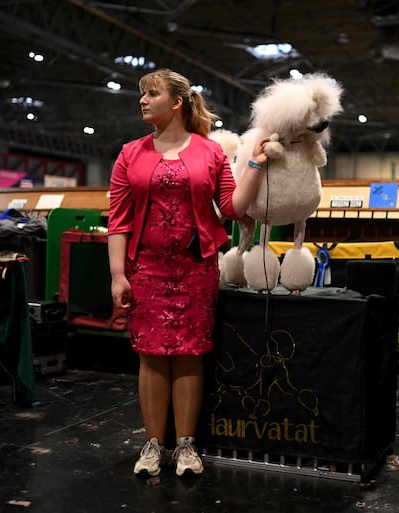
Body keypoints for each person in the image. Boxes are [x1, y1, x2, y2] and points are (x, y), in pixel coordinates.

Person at [107, 68, 269, 478]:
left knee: (190, 356)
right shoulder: (129, 153)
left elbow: (232, 208)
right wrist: (117, 275)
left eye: (151, 94)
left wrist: (255, 163)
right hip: (145, 270)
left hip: (197, 270)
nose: (142, 100)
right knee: (152, 359)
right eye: (141, 94)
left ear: (176, 102)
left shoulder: (210, 152)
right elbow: (118, 221)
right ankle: (152, 445)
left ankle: (185, 446)